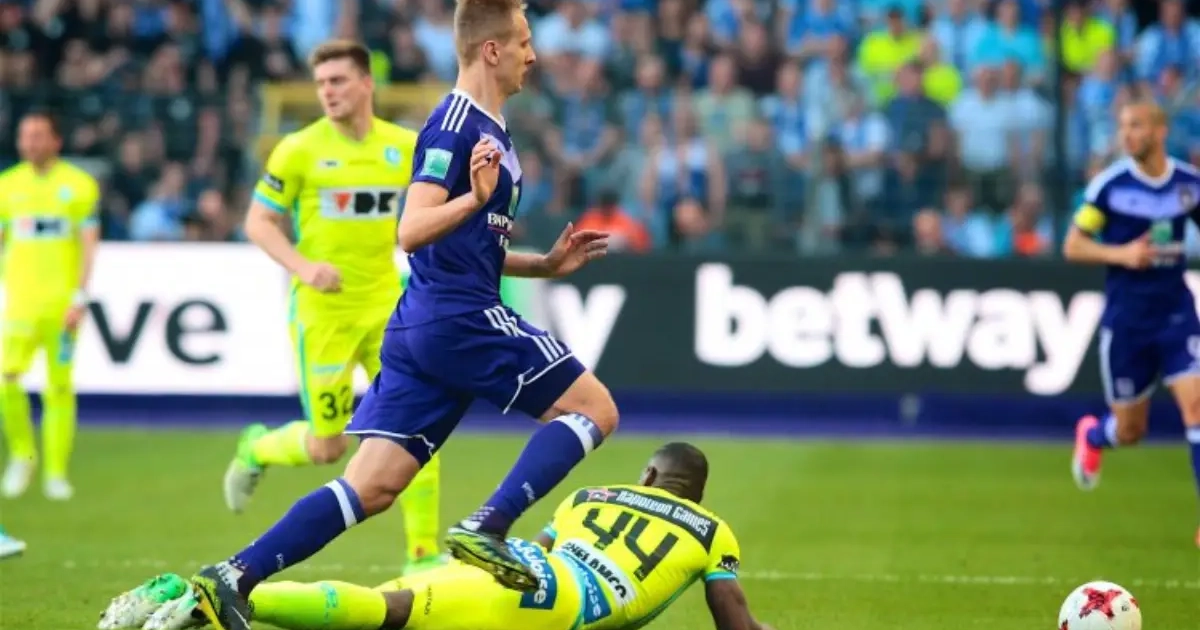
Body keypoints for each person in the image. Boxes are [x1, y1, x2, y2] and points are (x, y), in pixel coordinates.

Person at [184, 3, 615, 627]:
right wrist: (473, 199)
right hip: (459, 317)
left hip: (422, 325)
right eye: (523, 41)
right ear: (491, 50)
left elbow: (470, 246)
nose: (533, 53)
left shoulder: (488, 125)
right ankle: (489, 525)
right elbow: (411, 229)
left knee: (371, 487)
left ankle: (231, 576)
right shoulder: (454, 126)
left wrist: (542, 266)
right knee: (595, 409)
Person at [101, 443, 774, 630]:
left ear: (649, 475)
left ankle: (195, 593)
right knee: (384, 615)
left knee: (387, 606)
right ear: (695, 493)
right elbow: (734, 623)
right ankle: (204, 603)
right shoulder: (713, 531)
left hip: (522, 567)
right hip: (557, 603)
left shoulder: (588, 496)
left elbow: (540, 550)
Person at [222, 39, 444, 577]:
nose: (327, 91)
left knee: (416, 426)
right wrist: (303, 267)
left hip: (389, 308)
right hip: (323, 315)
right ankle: (258, 448)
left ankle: (422, 554)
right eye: (321, 83)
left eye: (338, 80)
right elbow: (258, 221)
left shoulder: (403, 147)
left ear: (367, 84)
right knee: (328, 447)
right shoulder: (297, 150)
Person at [1062, 98, 1200, 547]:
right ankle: (1093, 436)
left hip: (1177, 314)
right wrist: (1122, 254)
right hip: (1128, 322)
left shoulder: (1189, 184)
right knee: (1130, 431)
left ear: (1160, 132)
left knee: (1197, 407)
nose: (1127, 134)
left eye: (1137, 125)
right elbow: (1074, 245)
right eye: (1123, 126)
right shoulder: (1110, 187)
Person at [0, 111, 101, 502]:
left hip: (62, 307)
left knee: (58, 387)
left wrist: (80, 296)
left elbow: (89, 244)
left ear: (56, 140)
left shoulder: (78, 186)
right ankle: (22, 456)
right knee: (7, 381)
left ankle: (56, 472)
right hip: (21, 305)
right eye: (25, 135)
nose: (30, 142)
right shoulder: (7, 186)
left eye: (38, 135)